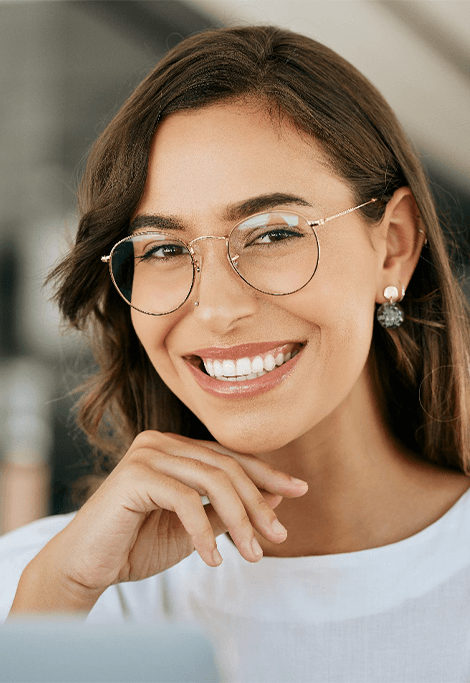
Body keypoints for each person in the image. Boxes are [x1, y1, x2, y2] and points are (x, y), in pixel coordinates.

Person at [1, 24, 470, 682]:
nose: (218, 309)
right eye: (163, 248)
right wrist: (56, 597)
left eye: (272, 233)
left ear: (392, 245)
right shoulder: (42, 583)